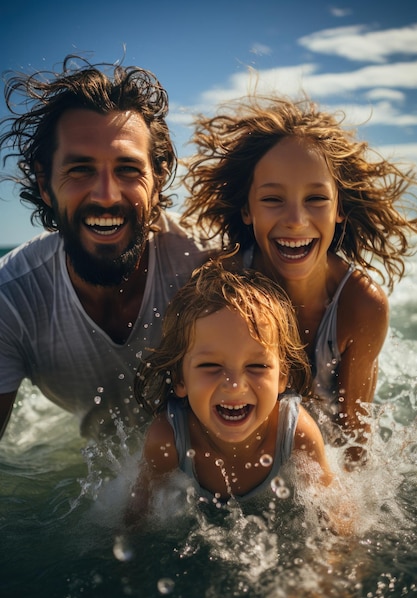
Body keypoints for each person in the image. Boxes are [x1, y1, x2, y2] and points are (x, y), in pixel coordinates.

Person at [179, 94, 417, 464]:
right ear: (247, 209)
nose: (295, 220)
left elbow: (354, 441)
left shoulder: (360, 306)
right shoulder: (214, 282)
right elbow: (183, 414)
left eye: (315, 199)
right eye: (273, 199)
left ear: (340, 208)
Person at [0, 55, 221, 440]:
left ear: (157, 180)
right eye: (80, 169)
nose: (106, 195)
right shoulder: (12, 301)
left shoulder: (207, 267)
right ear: (43, 184)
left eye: (128, 169)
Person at [126, 256, 335, 527]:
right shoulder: (167, 440)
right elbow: (134, 524)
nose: (235, 385)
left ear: (282, 376)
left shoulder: (296, 434)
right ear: (180, 379)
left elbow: (336, 516)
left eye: (257, 366)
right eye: (211, 366)